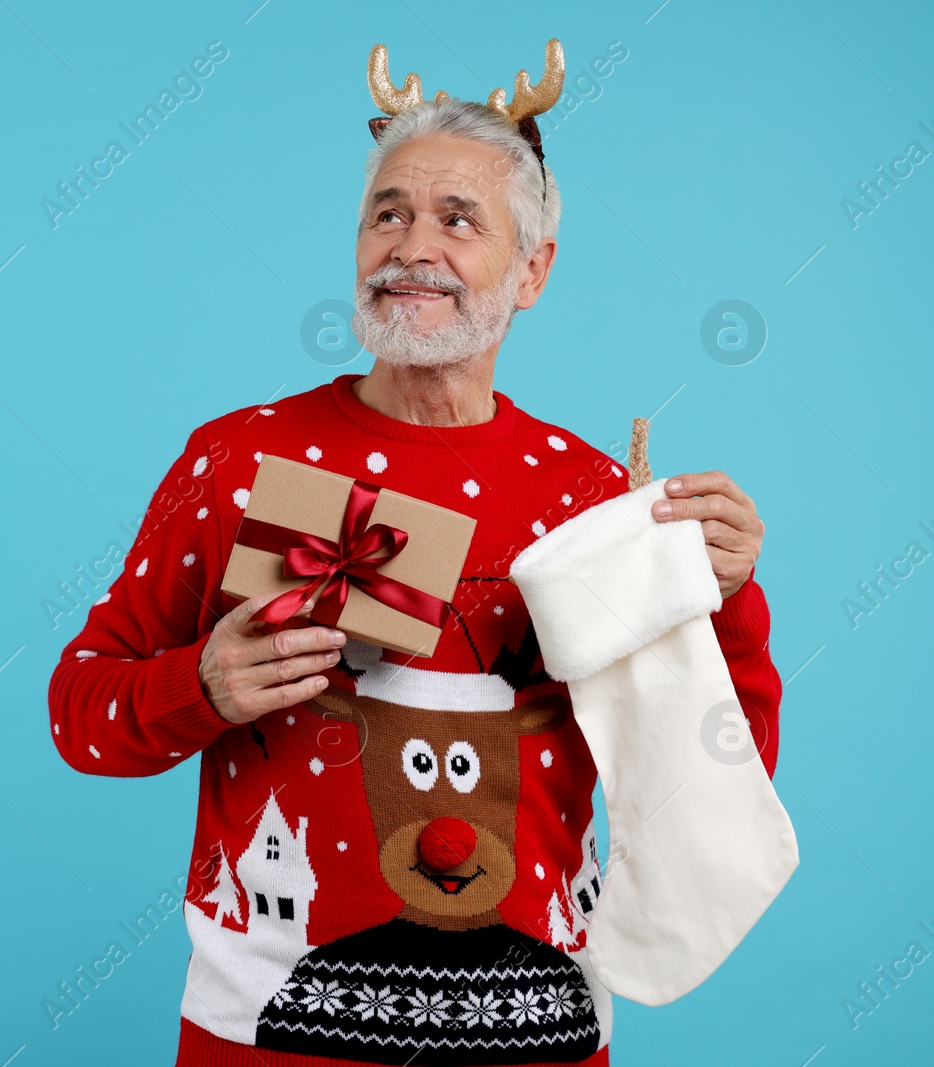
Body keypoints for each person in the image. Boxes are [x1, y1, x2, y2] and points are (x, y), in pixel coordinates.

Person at [46, 41, 778, 1067]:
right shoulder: (238, 460)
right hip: (268, 1037)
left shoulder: (587, 498)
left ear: (532, 269)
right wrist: (200, 683)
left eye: (456, 217)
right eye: (387, 211)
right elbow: (82, 711)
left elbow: (705, 766)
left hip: (535, 1032)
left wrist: (728, 600)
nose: (410, 245)